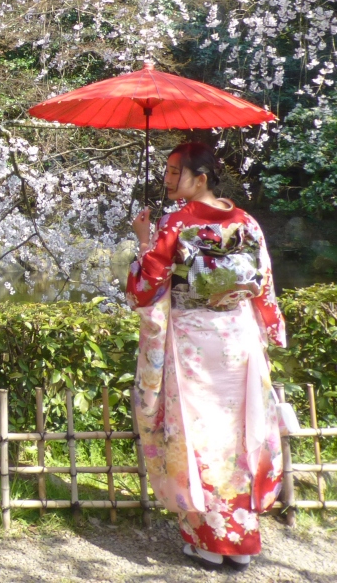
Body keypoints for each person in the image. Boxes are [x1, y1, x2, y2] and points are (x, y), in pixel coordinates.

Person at [127, 141, 285, 570]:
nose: (168, 179)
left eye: (175, 172)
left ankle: (211, 541)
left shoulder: (175, 222)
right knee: (239, 431)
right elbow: (265, 283)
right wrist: (270, 329)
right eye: (167, 172)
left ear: (201, 178)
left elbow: (146, 288)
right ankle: (240, 538)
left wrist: (144, 241)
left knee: (199, 435)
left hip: (194, 340)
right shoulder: (246, 221)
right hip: (237, 337)